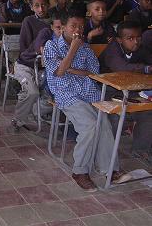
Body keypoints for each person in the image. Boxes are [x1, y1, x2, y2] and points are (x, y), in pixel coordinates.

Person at [44, 10, 128, 191]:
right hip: (66, 94)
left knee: (103, 122)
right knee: (90, 126)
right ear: (63, 27)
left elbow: (93, 72)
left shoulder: (87, 48)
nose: (78, 30)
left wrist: (69, 68)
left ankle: (109, 169)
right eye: (73, 26)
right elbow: (58, 72)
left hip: (90, 92)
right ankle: (80, 171)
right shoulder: (52, 45)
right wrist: (73, 49)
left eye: (81, 26)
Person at [99, 20, 152, 163]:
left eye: (139, 37)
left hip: (131, 90)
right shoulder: (113, 49)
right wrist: (146, 69)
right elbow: (120, 67)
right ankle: (107, 155)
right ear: (119, 40)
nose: (136, 42)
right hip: (108, 92)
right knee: (115, 118)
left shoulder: (140, 48)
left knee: (148, 113)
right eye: (130, 38)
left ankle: (140, 150)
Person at [8, 0, 51, 132]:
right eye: (37, 6)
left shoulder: (54, 22)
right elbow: (25, 48)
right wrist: (38, 52)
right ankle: (18, 120)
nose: (41, 9)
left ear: (49, 5)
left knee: (54, 91)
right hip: (25, 65)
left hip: (44, 67)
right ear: (31, 7)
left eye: (44, 5)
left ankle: (37, 111)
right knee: (32, 92)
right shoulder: (29, 21)